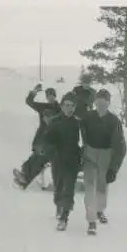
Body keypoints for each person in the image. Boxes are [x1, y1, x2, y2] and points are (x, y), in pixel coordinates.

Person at [80, 89, 127, 235]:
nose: (101, 105)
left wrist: (113, 168)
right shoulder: (87, 117)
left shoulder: (114, 121)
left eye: (104, 102)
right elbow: (82, 135)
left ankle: (100, 210)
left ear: (108, 103)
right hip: (90, 153)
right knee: (89, 187)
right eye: (99, 102)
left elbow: (120, 147)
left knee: (102, 185)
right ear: (95, 102)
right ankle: (91, 220)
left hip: (106, 155)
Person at [44, 93, 81, 231]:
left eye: (72, 106)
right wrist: (52, 151)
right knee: (58, 187)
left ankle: (64, 217)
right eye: (67, 105)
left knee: (69, 189)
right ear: (62, 106)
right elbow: (47, 141)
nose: (69, 108)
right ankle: (59, 206)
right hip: (58, 160)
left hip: (72, 160)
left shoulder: (78, 123)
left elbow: (83, 140)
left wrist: (81, 154)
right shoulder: (54, 122)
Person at [13, 84, 60, 190]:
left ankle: (25, 180)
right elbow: (29, 102)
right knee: (34, 157)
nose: (50, 97)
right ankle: (23, 175)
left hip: (52, 142)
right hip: (41, 139)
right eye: (48, 95)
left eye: (52, 95)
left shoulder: (60, 109)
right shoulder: (43, 107)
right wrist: (34, 91)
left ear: (55, 96)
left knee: (40, 159)